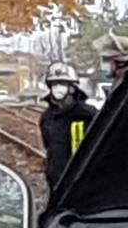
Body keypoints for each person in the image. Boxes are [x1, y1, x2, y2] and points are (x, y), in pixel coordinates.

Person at [38, 63, 99, 197]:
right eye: (54, 84)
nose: (58, 88)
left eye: (62, 84)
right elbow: (48, 146)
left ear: (72, 88)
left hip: (83, 182)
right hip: (56, 181)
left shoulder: (89, 115)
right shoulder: (47, 118)